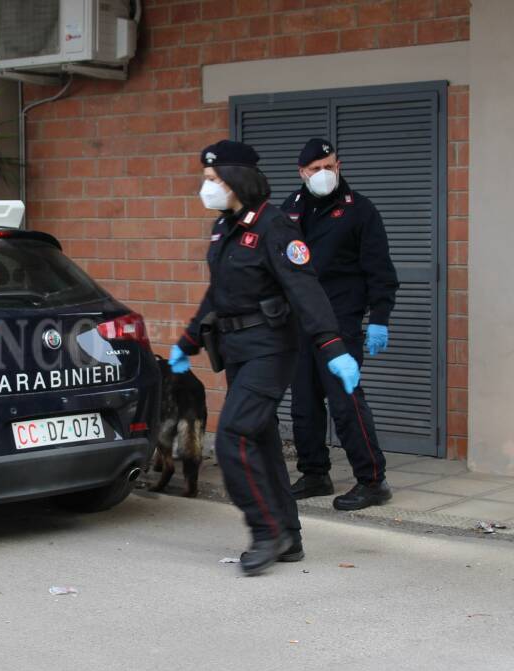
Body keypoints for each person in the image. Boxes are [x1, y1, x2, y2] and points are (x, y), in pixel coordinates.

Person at [168, 140, 361, 576]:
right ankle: (288, 536)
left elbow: (305, 289)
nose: (207, 186)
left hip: (271, 349)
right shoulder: (225, 227)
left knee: (234, 434)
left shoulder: (274, 227)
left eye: (213, 180)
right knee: (260, 439)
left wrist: (333, 349)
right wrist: (187, 341)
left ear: (237, 180)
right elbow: (217, 293)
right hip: (235, 350)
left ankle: (265, 530)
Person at [281, 139, 399, 511]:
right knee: (303, 401)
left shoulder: (359, 210)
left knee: (345, 400)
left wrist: (379, 317)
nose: (322, 174)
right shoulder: (290, 209)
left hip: (340, 319)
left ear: (339, 165)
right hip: (299, 318)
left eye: (328, 166)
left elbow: (380, 270)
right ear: (301, 173)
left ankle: (373, 480)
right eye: (314, 169)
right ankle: (315, 472)